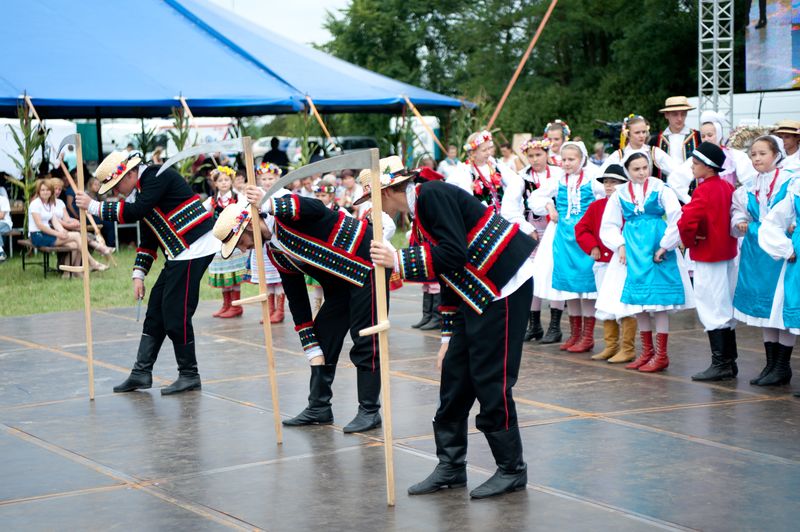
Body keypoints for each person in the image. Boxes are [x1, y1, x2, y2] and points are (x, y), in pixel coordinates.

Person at [369, 166, 537, 499]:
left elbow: (454, 254)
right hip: (475, 291)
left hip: (503, 287)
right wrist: (447, 339)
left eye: (373, 199)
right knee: (455, 378)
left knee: (491, 379)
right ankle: (451, 466)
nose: (374, 209)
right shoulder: (420, 214)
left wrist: (398, 259)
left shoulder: (432, 195)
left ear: (388, 192)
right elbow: (449, 276)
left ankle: (511, 469)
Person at [240, 171, 391, 433]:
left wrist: (267, 203)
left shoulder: (286, 215)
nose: (243, 249)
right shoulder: (276, 253)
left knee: (366, 338)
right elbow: (297, 303)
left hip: (368, 266)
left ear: (249, 226)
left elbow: (314, 207)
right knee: (322, 339)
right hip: (341, 285)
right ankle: (319, 407)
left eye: (240, 242)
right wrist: (310, 347)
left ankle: (369, 411)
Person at [75, 151, 218, 395]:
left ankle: (189, 374)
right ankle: (141, 372)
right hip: (180, 252)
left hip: (195, 248)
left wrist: (95, 207)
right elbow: (150, 233)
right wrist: (138, 273)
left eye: (117, 185)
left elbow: (136, 212)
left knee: (175, 313)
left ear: (130, 173)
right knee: (155, 310)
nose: (117, 191)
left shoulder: (156, 177)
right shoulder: (141, 190)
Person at [597, 152, 694, 373]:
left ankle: (661, 355)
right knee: (638, 303)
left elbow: (676, 216)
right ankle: (646, 352)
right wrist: (619, 245)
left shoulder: (660, 188)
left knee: (658, 304)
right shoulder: (620, 194)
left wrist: (666, 245)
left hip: (656, 247)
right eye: (636, 169)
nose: (642, 172)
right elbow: (608, 224)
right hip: (633, 250)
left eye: (644, 167)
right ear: (627, 172)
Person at [731, 135, 797, 387]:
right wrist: (738, 221)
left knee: (780, 307)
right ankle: (771, 365)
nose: (757, 158)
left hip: (782, 252)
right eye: (753, 155)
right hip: (756, 251)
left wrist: (792, 226)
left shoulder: (791, 182)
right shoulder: (748, 185)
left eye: (762, 154)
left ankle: (782, 366)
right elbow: (738, 209)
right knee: (764, 310)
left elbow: (793, 212)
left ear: (776, 155)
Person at [529, 141, 604, 353]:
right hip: (563, 237)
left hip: (585, 236)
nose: (567, 163)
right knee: (569, 285)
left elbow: (610, 196)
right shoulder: (558, 180)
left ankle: (588, 336)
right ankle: (575, 334)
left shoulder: (592, 180)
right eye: (564, 159)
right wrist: (550, 206)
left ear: (582, 160)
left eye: (572, 159)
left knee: (586, 287)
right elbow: (535, 196)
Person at [676, 143, 740, 381]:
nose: (692, 167)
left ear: (707, 166)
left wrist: (690, 241)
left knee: (711, 306)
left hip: (708, 253)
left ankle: (721, 363)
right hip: (727, 251)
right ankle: (730, 362)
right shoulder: (726, 186)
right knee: (724, 304)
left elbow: (687, 221)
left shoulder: (703, 190)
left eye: (695, 164)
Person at [575, 164, 638, 363]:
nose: (609, 186)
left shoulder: (631, 205)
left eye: (614, 182)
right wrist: (592, 246)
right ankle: (611, 346)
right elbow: (581, 229)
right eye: (606, 182)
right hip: (602, 261)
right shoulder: (597, 206)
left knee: (624, 304)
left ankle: (627, 348)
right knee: (605, 302)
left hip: (623, 261)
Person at [516, 138, 565, 343]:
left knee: (555, 273)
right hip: (532, 231)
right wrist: (525, 228)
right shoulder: (522, 177)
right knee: (531, 275)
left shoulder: (558, 174)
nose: (535, 159)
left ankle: (555, 326)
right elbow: (514, 206)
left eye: (539, 155)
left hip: (556, 229)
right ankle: (534, 324)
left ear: (547, 154)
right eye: (531, 156)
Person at [759, 178, 800, 396]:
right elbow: (771, 222)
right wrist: (785, 248)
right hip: (798, 257)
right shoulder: (796, 189)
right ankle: (780, 367)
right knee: (792, 308)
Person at [668, 111, 756, 203]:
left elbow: (751, 181)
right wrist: (689, 200)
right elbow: (675, 181)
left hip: (728, 205)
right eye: (703, 136)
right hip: (707, 205)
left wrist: (741, 202)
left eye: (710, 135)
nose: (706, 139)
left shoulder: (734, 155)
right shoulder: (697, 158)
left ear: (719, 134)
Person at [202, 166, 247, 319]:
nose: (223, 183)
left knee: (233, 272)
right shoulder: (212, 200)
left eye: (226, 180)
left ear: (231, 181)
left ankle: (236, 305)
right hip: (218, 242)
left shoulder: (238, 197)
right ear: (215, 183)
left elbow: (245, 211)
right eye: (220, 180)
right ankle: (226, 304)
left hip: (234, 240)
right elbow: (201, 211)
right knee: (223, 272)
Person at [600, 115, 676, 179]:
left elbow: (676, 171)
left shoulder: (654, 152)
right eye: (637, 133)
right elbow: (599, 177)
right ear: (628, 134)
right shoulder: (619, 155)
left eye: (644, 132)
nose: (642, 136)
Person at [652, 96, 701, 169]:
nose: (680, 118)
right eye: (675, 114)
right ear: (666, 115)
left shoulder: (698, 136)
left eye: (683, 114)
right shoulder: (656, 140)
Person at [0, 181, 12, 262]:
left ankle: (1, 253)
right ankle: (1, 252)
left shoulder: (3, 199)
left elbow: (1, 216)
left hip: (6, 223)